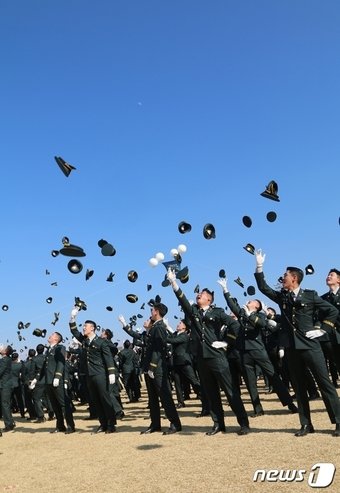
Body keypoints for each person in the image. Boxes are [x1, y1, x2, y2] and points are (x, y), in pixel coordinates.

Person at [254, 249, 340, 437]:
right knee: (300, 388)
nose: (282, 278)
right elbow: (264, 288)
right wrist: (259, 267)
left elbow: (332, 311)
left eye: (285, 275)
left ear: (294, 278)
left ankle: (338, 421)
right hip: (292, 349)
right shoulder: (282, 297)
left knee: (325, 384)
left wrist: (323, 329)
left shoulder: (310, 295)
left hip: (310, 346)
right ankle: (306, 424)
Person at [166, 268, 250, 436]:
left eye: (202, 294)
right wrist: (173, 282)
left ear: (209, 299)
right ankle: (218, 424)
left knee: (230, 390)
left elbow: (235, 325)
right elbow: (182, 300)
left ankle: (243, 423)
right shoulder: (194, 312)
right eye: (198, 294)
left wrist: (227, 342)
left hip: (217, 356)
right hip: (202, 358)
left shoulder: (217, 312)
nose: (198, 295)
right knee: (211, 394)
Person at [217, 277, 298, 417]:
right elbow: (232, 306)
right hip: (244, 352)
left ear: (257, 306)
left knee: (273, 376)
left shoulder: (260, 315)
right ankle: (257, 409)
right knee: (250, 382)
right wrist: (225, 290)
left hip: (258, 350)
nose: (249, 301)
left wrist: (249, 315)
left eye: (253, 301)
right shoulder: (242, 314)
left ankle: (289, 403)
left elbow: (261, 324)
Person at [119, 303, 182, 435]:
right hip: (149, 368)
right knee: (153, 399)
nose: (151, 312)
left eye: (152, 310)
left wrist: (152, 367)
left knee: (165, 397)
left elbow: (159, 350)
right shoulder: (155, 328)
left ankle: (175, 423)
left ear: (156, 312)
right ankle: (155, 424)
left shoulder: (159, 327)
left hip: (157, 368)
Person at [69, 306, 117, 434]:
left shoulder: (101, 342)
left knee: (105, 399)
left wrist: (111, 372)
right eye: (83, 326)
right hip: (89, 375)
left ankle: (111, 424)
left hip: (100, 374)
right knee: (95, 400)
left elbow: (108, 358)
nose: (83, 328)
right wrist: (72, 317)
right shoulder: (84, 341)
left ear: (92, 328)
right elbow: (74, 332)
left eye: (86, 326)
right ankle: (103, 424)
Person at [31, 332, 75, 434]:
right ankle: (60, 426)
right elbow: (43, 367)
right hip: (48, 381)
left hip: (56, 381)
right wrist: (36, 379)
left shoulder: (60, 348)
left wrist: (58, 376)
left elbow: (61, 362)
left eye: (52, 335)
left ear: (56, 338)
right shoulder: (48, 350)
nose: (49, 336)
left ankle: (70, 426)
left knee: (64, 405)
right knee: (55, 405)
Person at [166, 319, 201, 409]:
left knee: (193, 380)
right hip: (176, 362)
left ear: (185, 327)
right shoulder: (177, 334)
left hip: (184, 361)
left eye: (180, 323)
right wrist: (166, 326)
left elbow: (173, 340)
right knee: (177, 383)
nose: (178, 324)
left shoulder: (184, 335)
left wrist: (161, 336)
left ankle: (202, 396)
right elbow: (171, 335)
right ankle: (180, 402)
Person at [0, 345, 15, 432]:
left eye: (2, 347)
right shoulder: (7, 359)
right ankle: (10, 422)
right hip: (7, 384)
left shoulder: (4, 361)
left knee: (5, 405)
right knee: (7, 404)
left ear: (5, 352)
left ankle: (9, 425)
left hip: (4, 385)